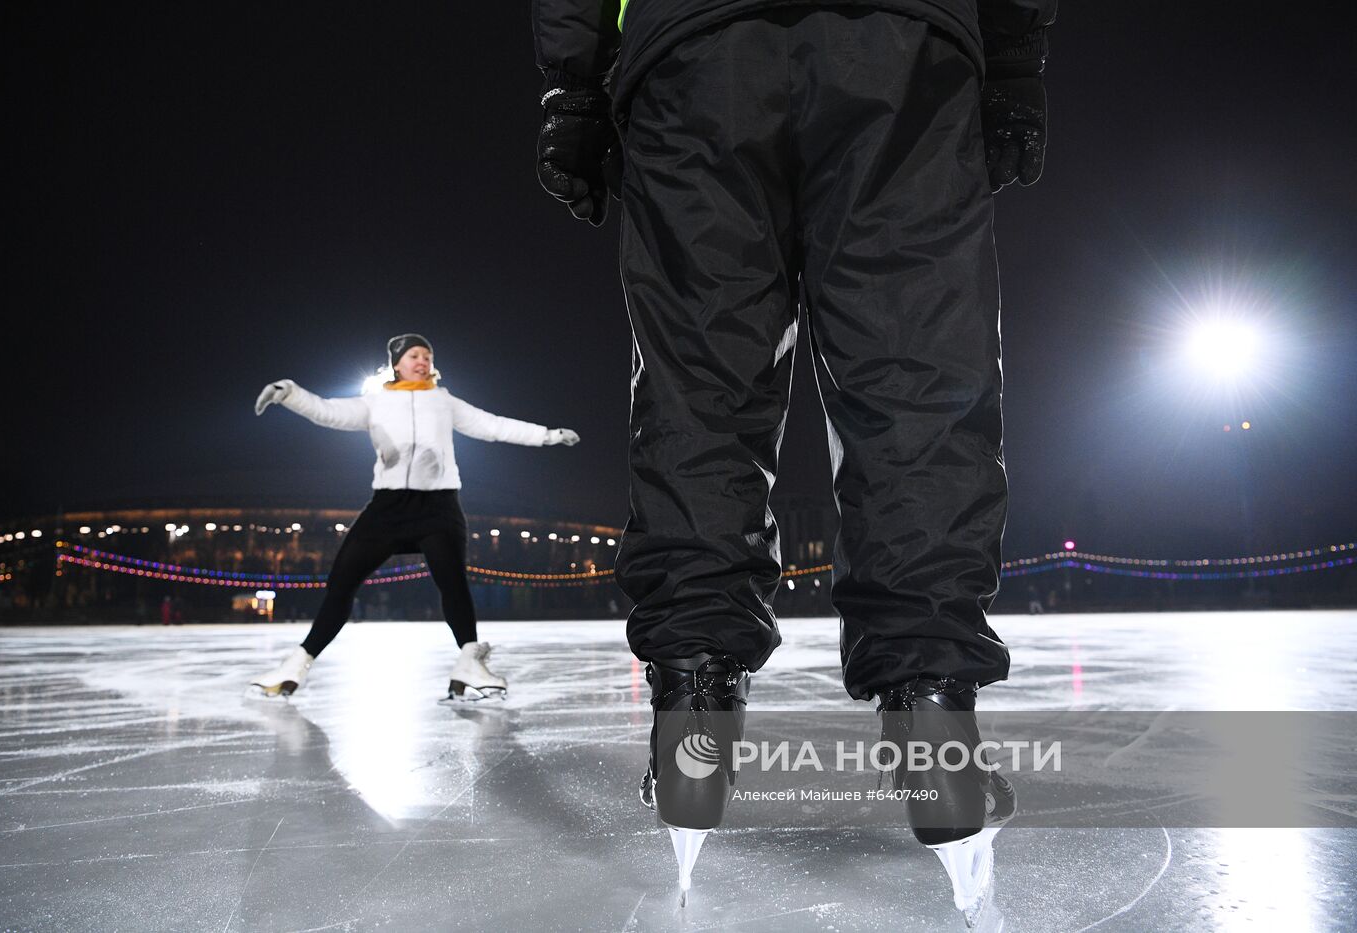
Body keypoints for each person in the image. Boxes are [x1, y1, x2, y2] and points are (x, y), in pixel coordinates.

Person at [532, 0, 1055, 911]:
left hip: (695, 55)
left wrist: (574, 84)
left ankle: (695, 710)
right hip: (902, 48)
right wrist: (1012, 52)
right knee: (916, 372)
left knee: (700, 378)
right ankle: (932, 709)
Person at [248, 333, 580, 701]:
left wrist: (546, 436)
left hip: (438, 508)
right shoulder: (375, 402)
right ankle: (297, 662)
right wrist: (290, 393)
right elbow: (329, 411)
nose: (422, 361)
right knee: (341, 583)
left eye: (427, 355)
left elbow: (493, 425)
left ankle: (470, 661)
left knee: (453, 583)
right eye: (413, 356)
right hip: (388, 509)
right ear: (396, 364)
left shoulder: (444, 401)